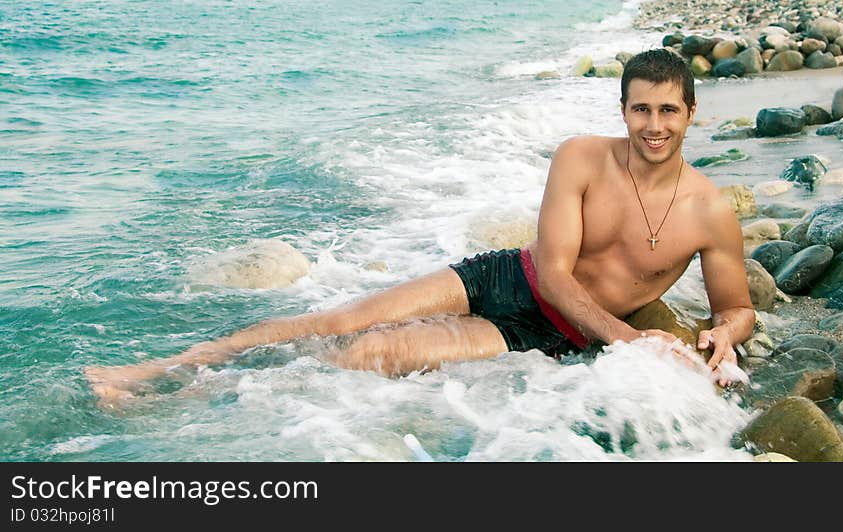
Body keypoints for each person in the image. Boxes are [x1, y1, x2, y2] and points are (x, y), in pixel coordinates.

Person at [86, 48, 755, 406]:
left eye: (669, 110)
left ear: (691, 113)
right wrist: (633, 340)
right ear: (624, 109)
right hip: (508, 278)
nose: (654, 125)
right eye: (641, 110)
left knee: (375, 355)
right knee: (339, 319)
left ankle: (199, 401)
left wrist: (725, 333)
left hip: (547, 332)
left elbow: (738, 306)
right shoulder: (581, 156)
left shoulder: (709, 212)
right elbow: (553, 271)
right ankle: (157, 369)